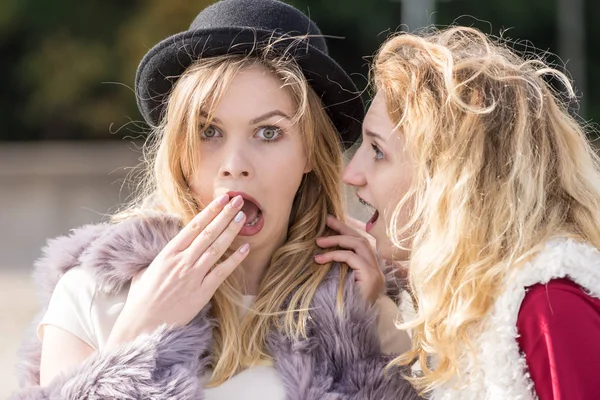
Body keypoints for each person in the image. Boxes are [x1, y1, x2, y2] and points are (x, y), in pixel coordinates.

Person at [12, 1, 420, 399]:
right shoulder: (92, 292)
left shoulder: (365, 303)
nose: (235, 165)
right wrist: (135, 338)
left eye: (268, 133)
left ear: (310, 152)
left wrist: (368, 325)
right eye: (209, 131)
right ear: (181, 155)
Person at [318, 26, 600, 399]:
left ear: (451, 178)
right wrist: (378, 311)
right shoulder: (462, 309)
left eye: (378, 151)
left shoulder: (551, 307)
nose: (350, 174)